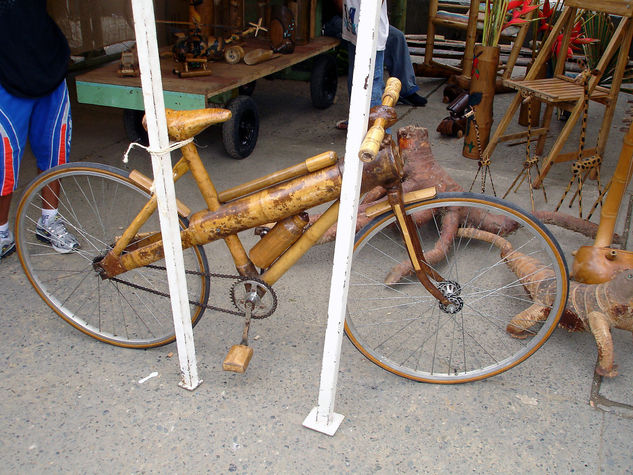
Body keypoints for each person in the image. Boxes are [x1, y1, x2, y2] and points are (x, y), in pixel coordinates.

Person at [0, 0, 79, 260]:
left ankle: (49, 221)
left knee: (55, 152)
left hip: (48, 65)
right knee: (4, 160)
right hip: (6, 74)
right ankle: (1, 233)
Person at [323, 0, 426, 129]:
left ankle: (376, 132)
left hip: (365, 29)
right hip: (357, 28)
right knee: (363, 81)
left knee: (370, 84)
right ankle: (369, 127)